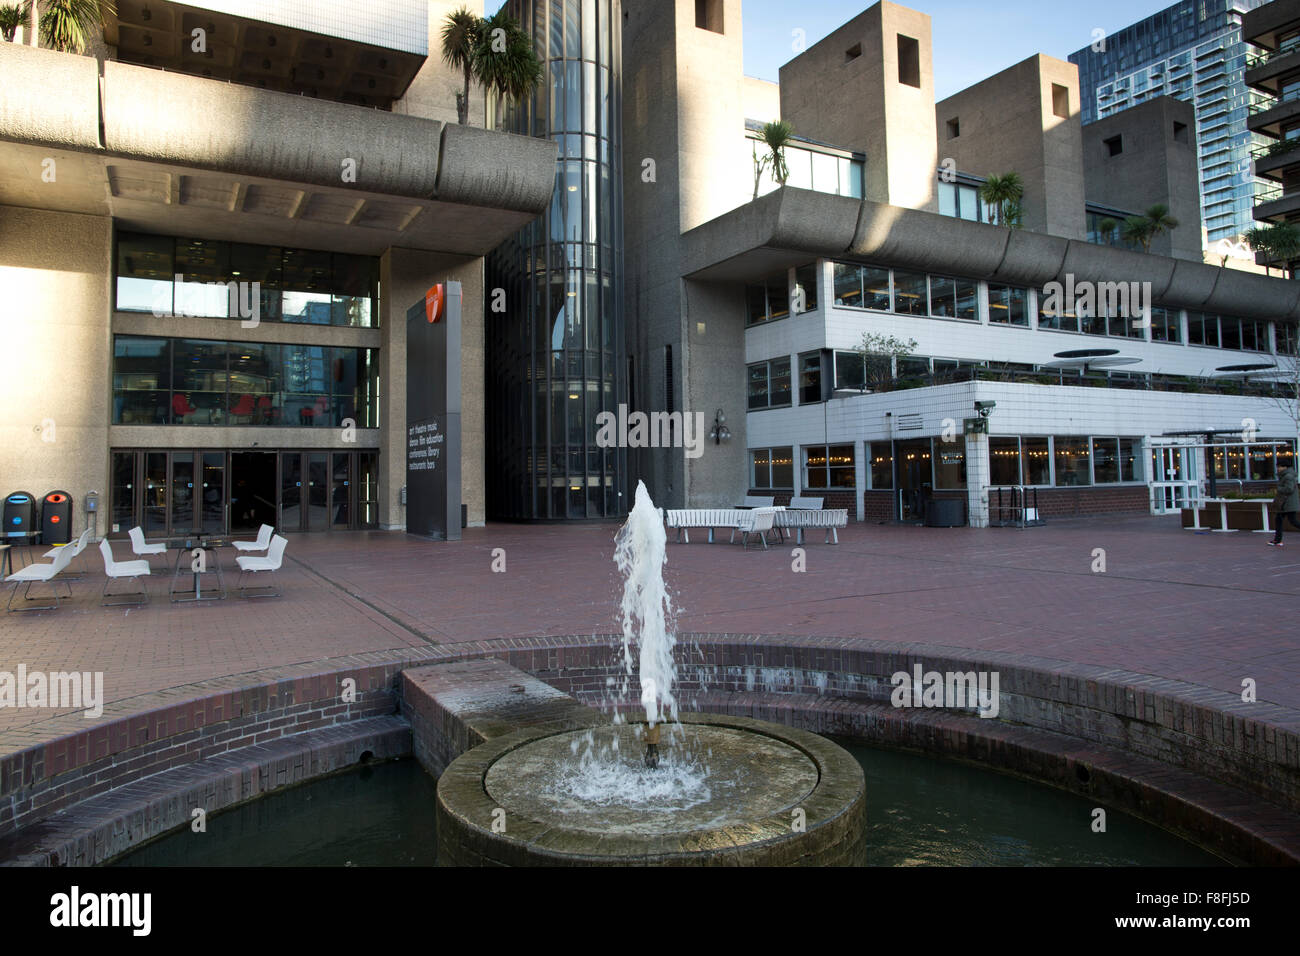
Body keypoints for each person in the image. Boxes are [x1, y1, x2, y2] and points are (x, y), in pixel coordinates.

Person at [1268, 466, 1300, 546]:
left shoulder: (1288, 476)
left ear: (1285, 467)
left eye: (1280, 466)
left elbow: (1289, 489)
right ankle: (1277, 540)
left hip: (1288, 503)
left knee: (1292, 521)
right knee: (1279, 519)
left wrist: (1279, 489)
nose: (1278, 468)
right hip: (1286, 503)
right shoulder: (1285, 475)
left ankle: (1277, 540)